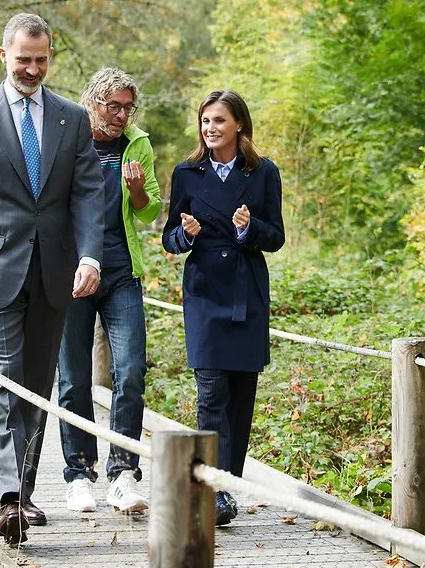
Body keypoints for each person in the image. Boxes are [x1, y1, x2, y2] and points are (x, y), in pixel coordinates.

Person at [0, 13, 105, 544]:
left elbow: (87, 195)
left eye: (41, 59)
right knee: (5, 381)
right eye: (23, 59)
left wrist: (90, 257)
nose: (32, 68)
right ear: (3, 55)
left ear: (50, 57)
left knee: (34, 388)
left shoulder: (72, 119)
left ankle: (21, 493)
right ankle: (5, 496)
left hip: (56, 272)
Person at [162, 89, 285, 526]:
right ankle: (213, 490)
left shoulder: (263, 172)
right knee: (210, 391)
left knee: (240, 397)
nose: (209, 128)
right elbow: (170, 238)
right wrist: (188, 234)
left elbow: (276, 236)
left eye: (218, 121)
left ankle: (227, 486)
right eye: (205, 121)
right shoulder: (187, 172)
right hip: (204, 293)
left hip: (246, 293)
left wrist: (250, 229)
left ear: (238, 126)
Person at [58, 67, 161, 513]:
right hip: (74, 274)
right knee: (74, 378)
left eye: (126, 107)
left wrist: (137, 190)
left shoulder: (136, 143)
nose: (120, 115)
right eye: (111, 106)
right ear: (92, 102)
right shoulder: (66, 136)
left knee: (131, 371)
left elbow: (149, 210)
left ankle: (122, 474)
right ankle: (78, 473)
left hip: (121, 272)